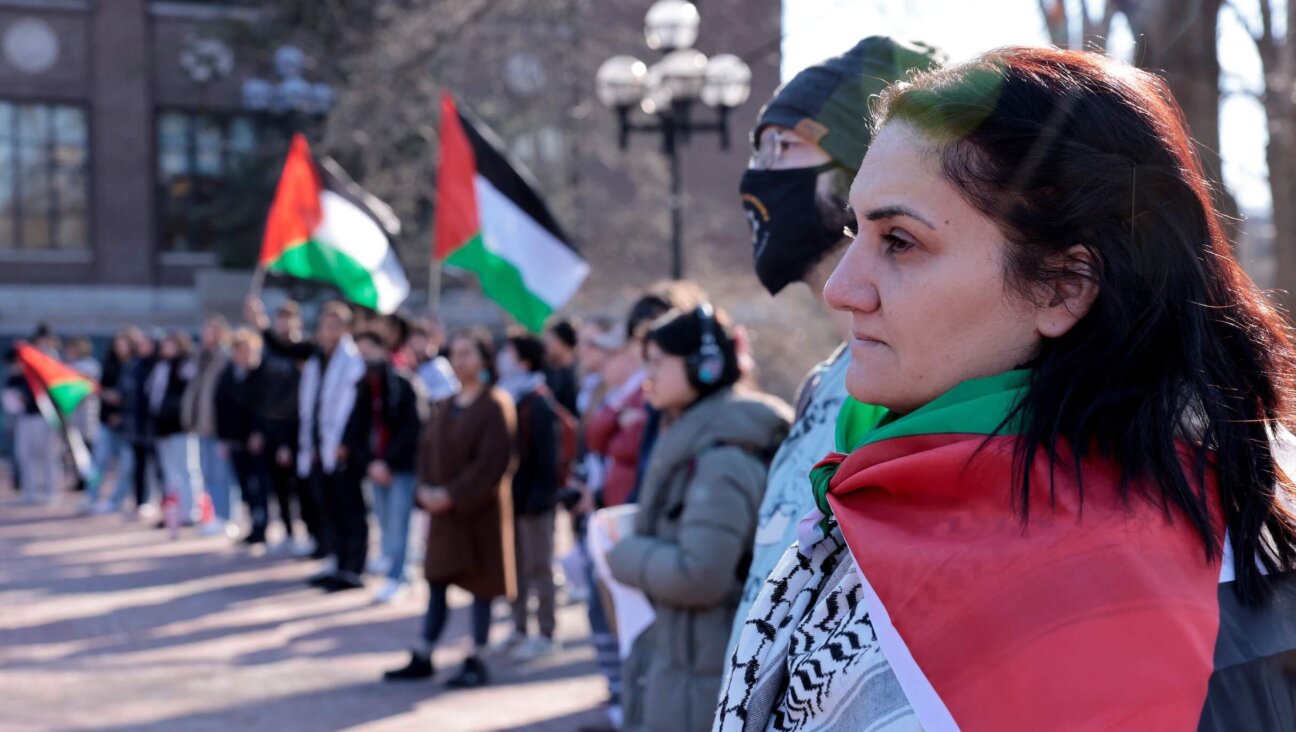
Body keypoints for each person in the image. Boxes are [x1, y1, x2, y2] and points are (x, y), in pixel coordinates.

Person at [718, 47, 1296, 731]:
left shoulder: (1019, 586)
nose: (844, 289)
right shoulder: (1239, 482)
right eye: (854, 230)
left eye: (899, 241)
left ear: (1063, 286)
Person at [727, 35, 946, 654]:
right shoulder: (825, 379)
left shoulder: (932, 383)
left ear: (861, 166)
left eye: (784, 146)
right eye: (758, 149)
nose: (757, 177)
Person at [607, 305, 791, 732]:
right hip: (690, 659)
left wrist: (624, 554)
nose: (646, 377)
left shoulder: (723, 459)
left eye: (656, 363)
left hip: (703, 674)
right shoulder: (703, 439)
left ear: (703, 366)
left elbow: (701, 574)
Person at [384, 328, 516, 689]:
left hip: (479, 512)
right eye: (455, 354)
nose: (460, 361)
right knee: (438, 581)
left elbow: (492, 462)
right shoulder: (447, 404)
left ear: (485, 360)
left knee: (481, 588)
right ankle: (424, 652)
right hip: (443, 514)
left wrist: (453, 494)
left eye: (468, 354)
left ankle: (478, 656)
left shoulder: (495, 405)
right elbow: (427, 450)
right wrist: (426, 490)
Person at [345, 328, 426, 603]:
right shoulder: (363, 384)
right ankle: (396, 570)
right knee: (383, 522)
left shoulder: (404, 383)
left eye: (369, 350)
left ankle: (397, 576)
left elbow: (413, 429)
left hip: (399, 468)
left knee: (398, 523)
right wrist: (369, 462)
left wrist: (387, 461)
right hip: (374, 468)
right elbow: (356, 428)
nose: (365, 356)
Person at [495, 331, 562, 660]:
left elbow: (548, 459)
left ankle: (547, 633)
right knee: (515, 568)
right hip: (515, 501)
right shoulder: (510, 396)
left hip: (535, 504)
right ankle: (519, 628)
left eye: (508, 352)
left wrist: (538, 498)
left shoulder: (538, 401)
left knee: (539, 567)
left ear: (523, 360)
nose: (502, 358)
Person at [298, 301, 366, 592]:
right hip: (318, 445)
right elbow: (310, 407)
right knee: (328, 508)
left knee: (349, 509)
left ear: (346, 328)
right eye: (326, 324)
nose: (330, 330)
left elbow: (352, 407)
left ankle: (352, 568)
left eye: (336, 325)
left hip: (341, 449)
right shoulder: (316, 361)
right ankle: (336, 561)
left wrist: (343, 443)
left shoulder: (353, 361)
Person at [245, 297, 321, 556]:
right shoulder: (268, 353)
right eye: (280, 319)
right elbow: (260, 391)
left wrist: (260, 322)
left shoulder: (306, 350)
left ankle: (312, 535)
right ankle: (288, 532)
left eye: (289, 318)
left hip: (297, 430)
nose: (284, 324)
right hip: (272, 428)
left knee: (300, 487)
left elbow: (282, 348)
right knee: (277, 487)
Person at [215, 328, 271, 546]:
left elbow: (265, 407)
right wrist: (224, 438)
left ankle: (261, 528)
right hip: (235, 439)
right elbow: (221, 407)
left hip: (255, 440)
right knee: (244, 486)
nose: (244, 355)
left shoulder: (261, 374)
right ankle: (252, 526)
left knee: (259, 486)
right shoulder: (228, 375)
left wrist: (259, 432)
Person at [183, 315, 234, 537]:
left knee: (221, 474)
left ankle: (226, 517)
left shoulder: (224, 357)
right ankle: (212, 515)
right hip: (201, 424)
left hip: (218, 425)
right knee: (207, 473)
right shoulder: (200, 357)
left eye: (210, 330)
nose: (206, 335)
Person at [148, 331, 204, 532]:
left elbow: (189, 391)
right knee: (170, 472)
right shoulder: (161, 366)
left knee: (188, 469)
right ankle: (174, 512)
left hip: (181, 426)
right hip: (162, 427)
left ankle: (192, 512)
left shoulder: (185, 365)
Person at [87, 329, 136, 513]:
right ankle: (91, 496)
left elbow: (134, 396)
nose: (120, 348)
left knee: (126, 465)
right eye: (117, 344)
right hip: (106, 422)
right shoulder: (109, 364)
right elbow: (101, 389)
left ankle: (117, 499)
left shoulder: (135, 365)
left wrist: (121, 409)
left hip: (126, 424)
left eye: (123, 344)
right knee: (98, 462)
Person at [409, 316, 460, 402]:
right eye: (414, 339)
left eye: (420, 339)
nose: (416, 343)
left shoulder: (439, 364)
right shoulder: (408, 366)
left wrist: (422, 394)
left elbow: (450, 390)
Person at [543, 319, 580, 416]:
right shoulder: (550, 371)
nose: (547, 346)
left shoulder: (579, 375)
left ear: (562, 342)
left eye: (551, 341)